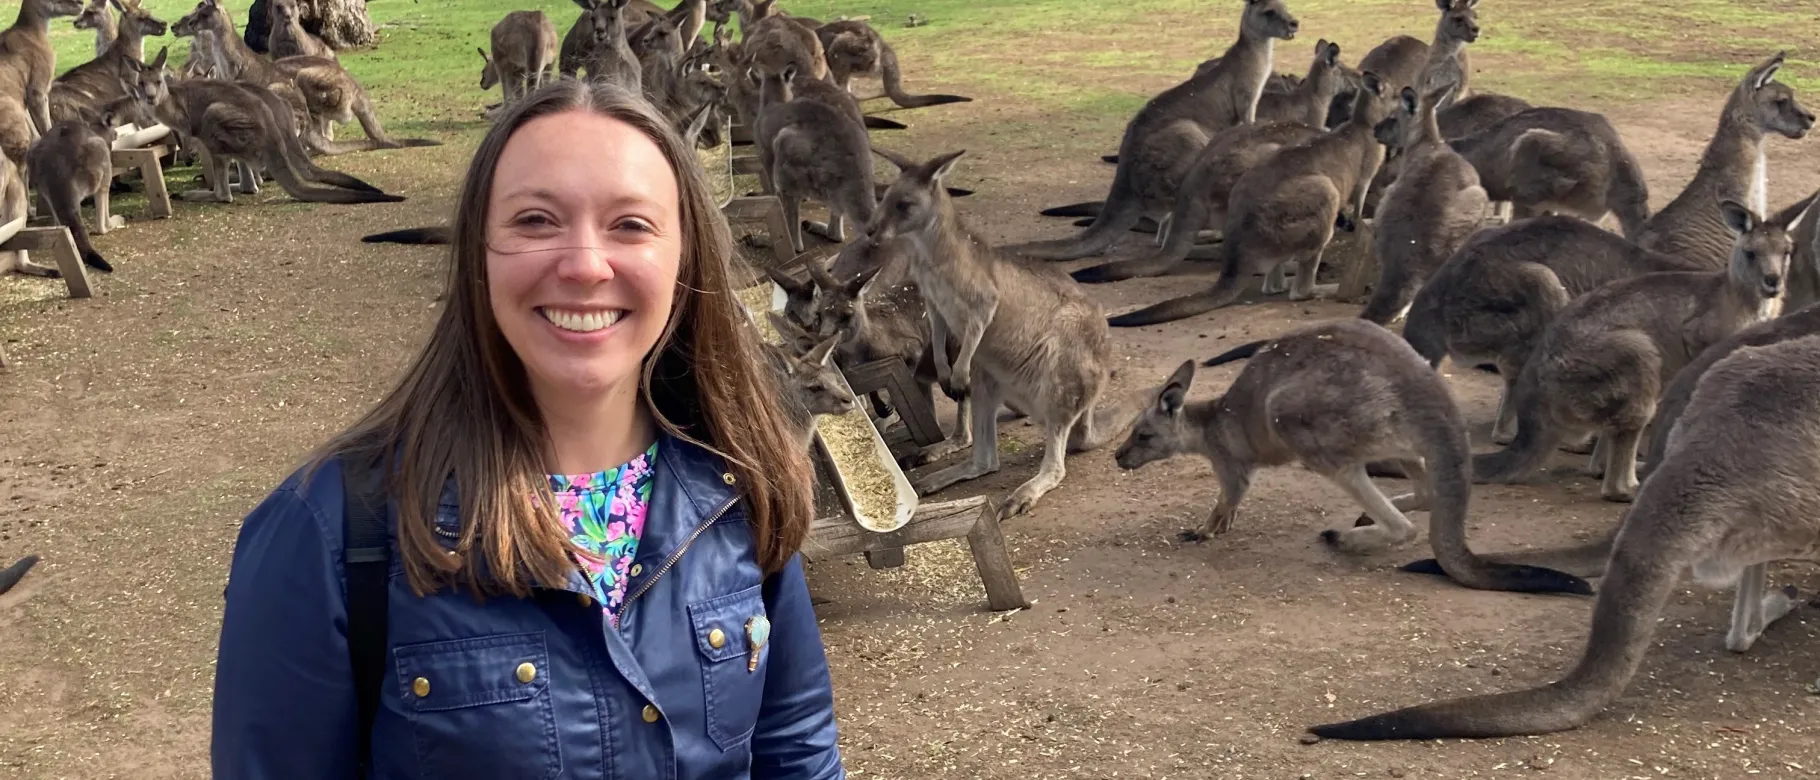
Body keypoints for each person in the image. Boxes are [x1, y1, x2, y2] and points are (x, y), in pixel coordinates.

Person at [209, 79, 846, 779]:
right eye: (536, 221)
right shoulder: (330, 529)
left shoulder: (736, 486)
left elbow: (798, 754)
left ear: (685, 258)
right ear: (478, 254)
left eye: (630, 224)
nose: (583, 264)